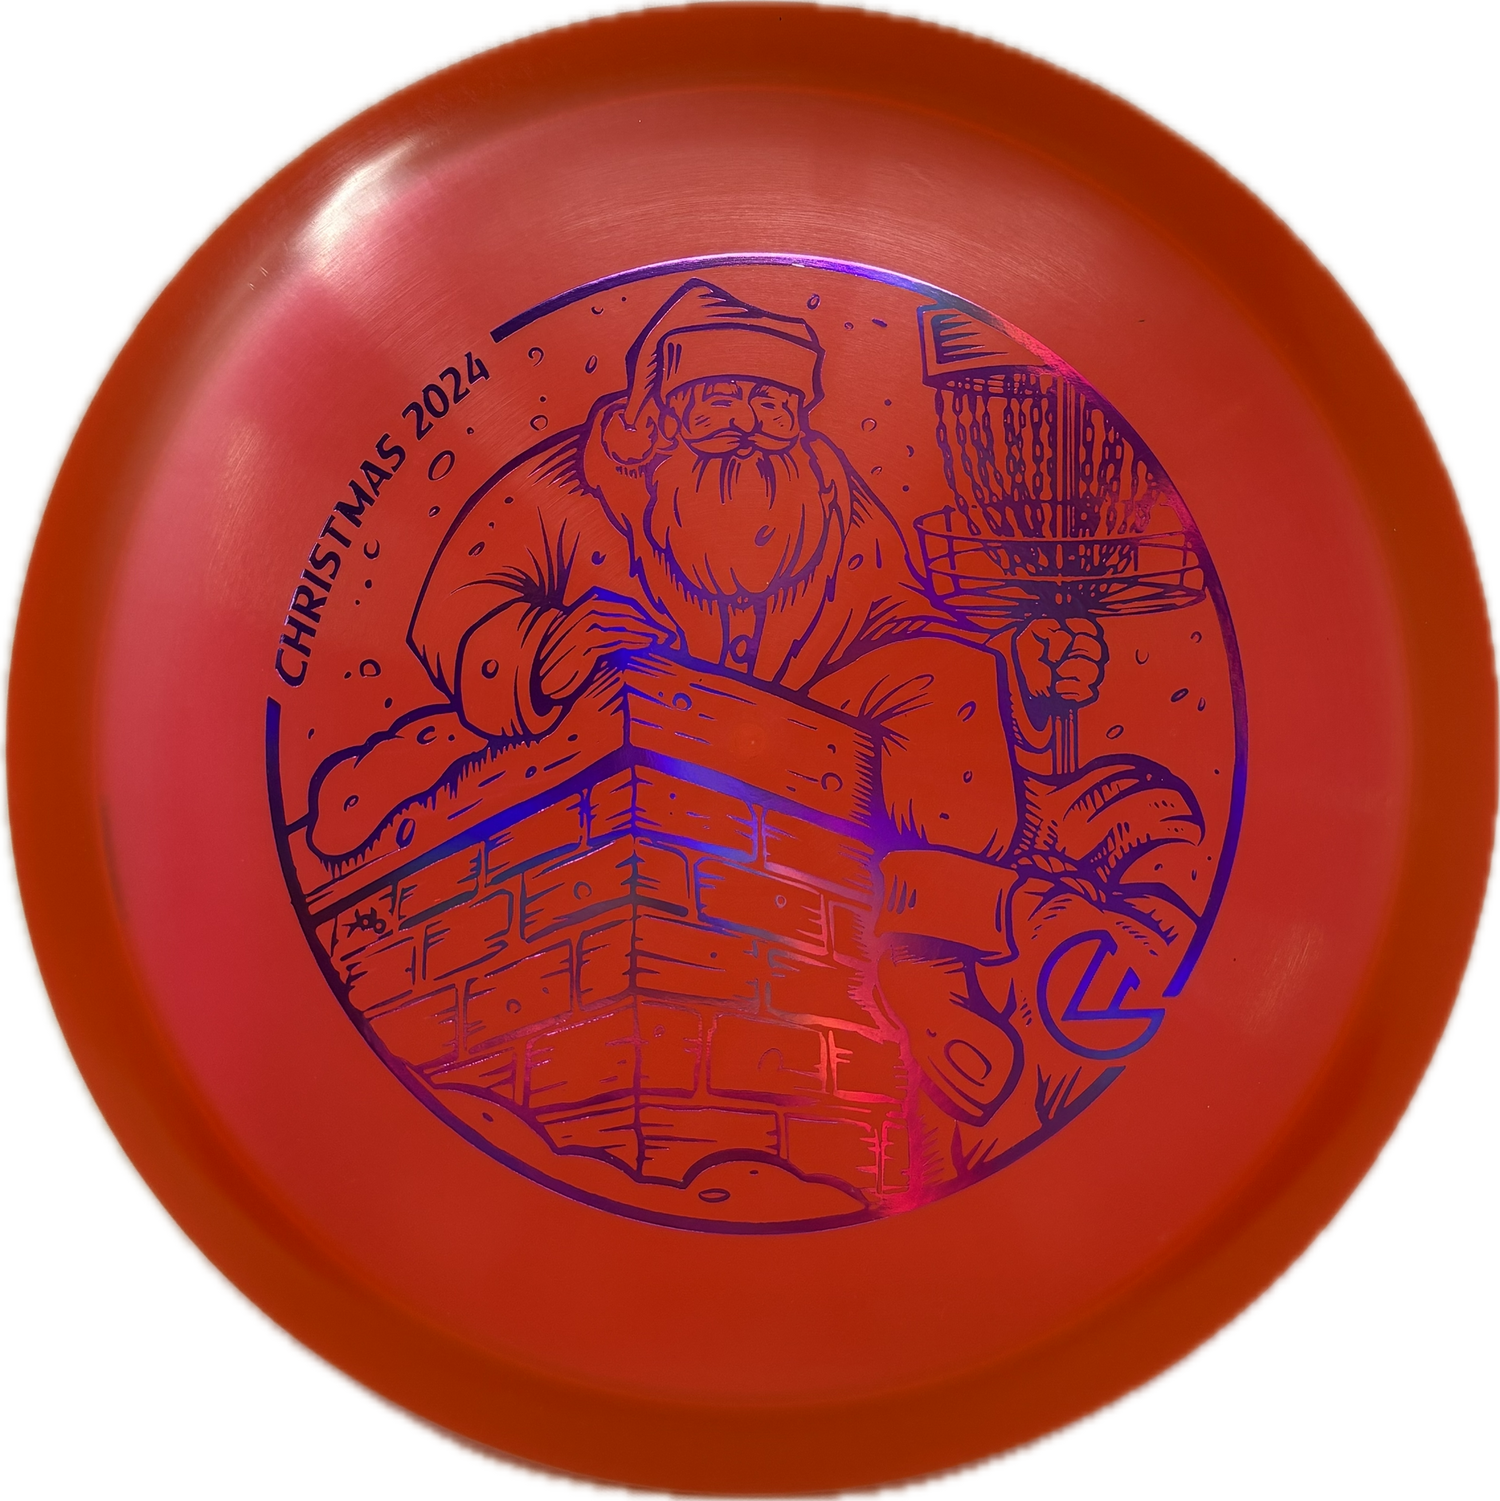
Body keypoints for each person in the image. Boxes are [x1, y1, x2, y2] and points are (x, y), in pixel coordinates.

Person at [318, 278, 1204, 1184]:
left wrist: (1019, 684)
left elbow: (901, 619)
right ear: (660, 406)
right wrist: (547, 649)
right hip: (648, 736)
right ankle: (991, 929)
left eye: (773, 402)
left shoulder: (825, 492)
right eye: (723, 397)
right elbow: (454, 617)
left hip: (808, 730)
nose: (750, 424)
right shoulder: (559, 483)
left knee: (952, 675)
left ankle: (928, 967)